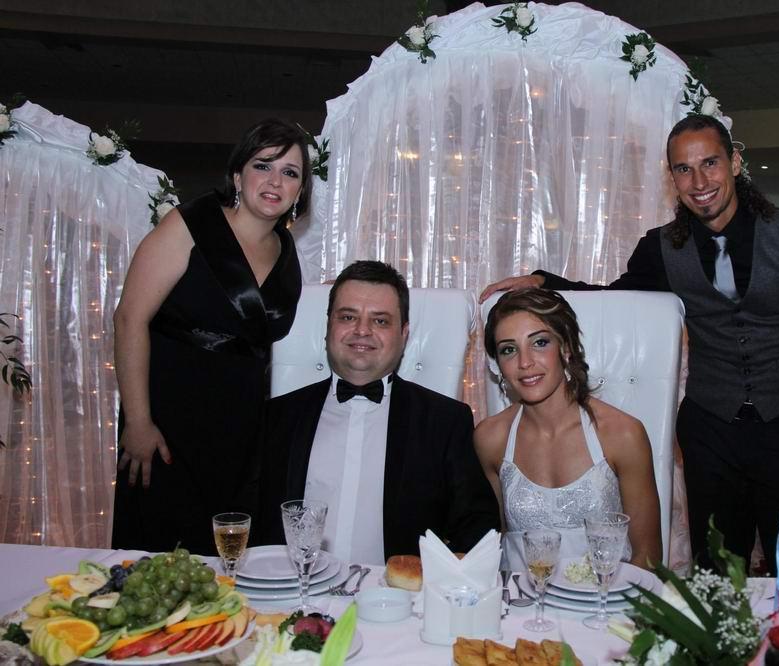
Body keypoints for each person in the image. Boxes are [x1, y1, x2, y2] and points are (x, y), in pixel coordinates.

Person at [480, 114, 779, 575]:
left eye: (710, 163)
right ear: (673, 178)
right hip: (709, 432)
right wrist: (544, 281)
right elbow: (615, 296)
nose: (699, 182)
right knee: (715, 575)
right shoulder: (661, 248)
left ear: (735, 162)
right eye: (684, 169)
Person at [112, 118, 311, 555]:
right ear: (238, 175)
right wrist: (139, 422)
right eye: (263, 165)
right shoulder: (191, 223)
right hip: (169, 419)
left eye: (290, 172)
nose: (275, 181)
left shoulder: (286, 250)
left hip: (241, 428)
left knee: (229, 556)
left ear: (300, 191)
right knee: (160, 553)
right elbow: (129, 318)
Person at [255, 260, 501, 563]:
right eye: (348, 317)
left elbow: (478, 529)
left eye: (380, 321)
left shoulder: (446, 422)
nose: (362, 330)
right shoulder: (276, 417)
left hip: (396, 592)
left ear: (404, 335)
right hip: (294, 586)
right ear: (329, 326)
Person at [475, 288, 662, 570]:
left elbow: (648, 556)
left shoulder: (621, 434)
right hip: (521, 596)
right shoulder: (491, 439)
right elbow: (493, 545)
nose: (525, 363)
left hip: (607, 594)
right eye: (509, 350)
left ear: (566, 348)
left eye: (539, 343)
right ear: (498, 364)